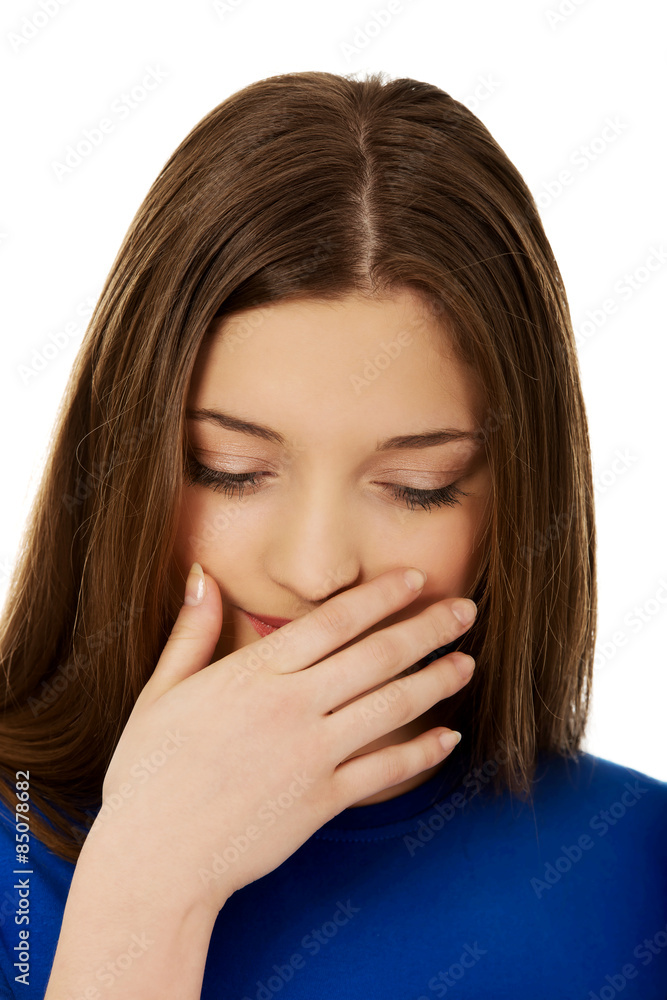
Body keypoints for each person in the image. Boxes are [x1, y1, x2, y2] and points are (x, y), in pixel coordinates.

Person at [0, 70, 665, 999]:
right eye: (230, 468)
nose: (316, 571)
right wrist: (146, 892)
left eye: (417, 488)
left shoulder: (637, 865)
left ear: (514, 503)